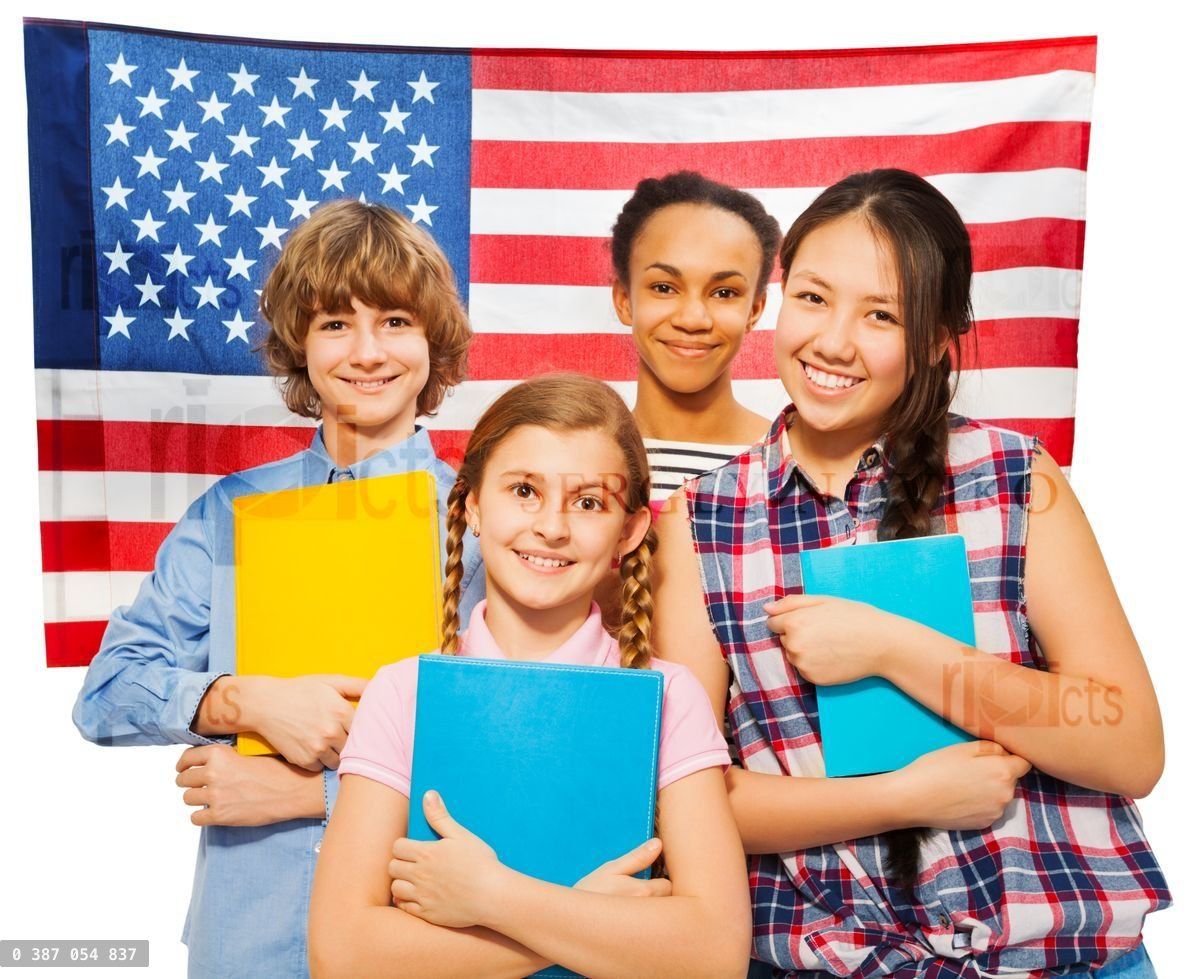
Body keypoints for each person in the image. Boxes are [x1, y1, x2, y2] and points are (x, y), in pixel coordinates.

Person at [652, 169, 1171, 978]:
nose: (833, 341)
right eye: (814, 298)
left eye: (882, 315)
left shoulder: (1013, 478)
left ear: (934, 338)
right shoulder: (701, 522)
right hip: (827, 960)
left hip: (1059, 959)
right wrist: (904, 798)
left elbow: (1131, 746)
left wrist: (898, 649)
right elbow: (686, 799)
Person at [72, 199, 484, 979]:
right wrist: (242, 702)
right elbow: (105, 695)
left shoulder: (487, 517)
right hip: (246, 934)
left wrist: (312, 793)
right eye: (335, 323)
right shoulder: (230, 513)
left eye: (395, 320)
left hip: (418, 935)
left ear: (435, 341)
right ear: (300, 342)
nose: (367, 351)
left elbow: (505, 741)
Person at [309, 374, 751, 979]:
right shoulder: (405, 692)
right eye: (523, 490)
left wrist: (494, 896)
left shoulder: (669, 698)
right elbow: (342, 952)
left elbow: (714, 952)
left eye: (589, 502)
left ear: (629, 532)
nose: (552, 526)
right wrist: (585, 922)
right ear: (471, 507)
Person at [610, 171, 782, 515]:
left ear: (755, 310)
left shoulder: (792, 464)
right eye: (664, 287)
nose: (692, 319)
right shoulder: (577, 456)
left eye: (724, 293)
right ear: (624, 300)